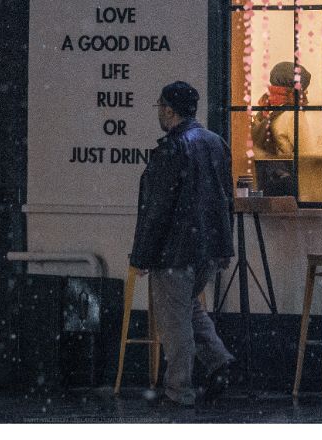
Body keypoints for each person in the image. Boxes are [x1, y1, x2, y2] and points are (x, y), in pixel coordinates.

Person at [130, 81, 236, 407]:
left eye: (160, 105)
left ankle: (179, 392)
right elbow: (225, 198)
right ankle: (219, 362)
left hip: (174, 251)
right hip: (207, 249)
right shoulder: (216, 143)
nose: (159, 111)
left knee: (174, 324)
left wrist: (142, 256)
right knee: (189, 309)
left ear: (170, 110)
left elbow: (156, 209)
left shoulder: (171, 150)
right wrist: (222, 247)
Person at [250, 61, 311, 157]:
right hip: (290, 171)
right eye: (305, 90)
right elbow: (308, 157)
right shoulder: (294, 115)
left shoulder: (266, 109)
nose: (306, 94)